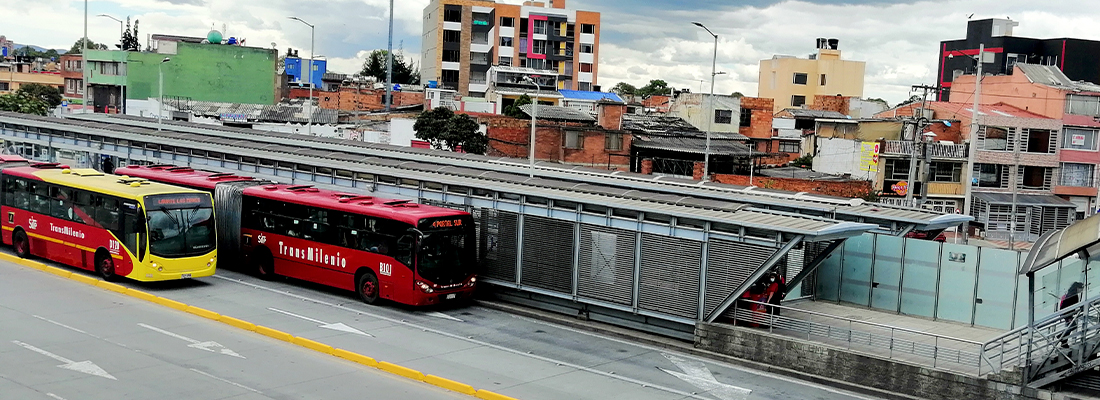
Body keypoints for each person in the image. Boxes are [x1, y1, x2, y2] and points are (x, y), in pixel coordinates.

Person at [1059, 282, 1084, 348]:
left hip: (1066, 313)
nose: (1082, 290)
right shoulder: (1073, 295)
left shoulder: (1070, 294)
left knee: (1070, 326)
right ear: (1077, 288)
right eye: (1081, 288)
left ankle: (1064, 342)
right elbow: (1072, 305)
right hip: (1067, 314)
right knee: (1073, 326)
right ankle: (1061, 336)